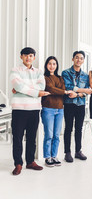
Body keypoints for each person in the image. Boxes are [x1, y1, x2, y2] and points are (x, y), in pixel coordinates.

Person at [10, 47, 49, 175]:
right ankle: (18, 164)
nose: (28, 57)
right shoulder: (15, 70)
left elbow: (41, 86)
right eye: (26, 55)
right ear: (21, 56)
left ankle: (30, 161)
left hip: (34, 110)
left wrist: (22, 89)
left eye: (31, 55)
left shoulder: (38, 72)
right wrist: (36, 93)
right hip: (19, 110)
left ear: (34, 58)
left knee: (32, 138)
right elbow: (17, 85)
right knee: (17, 138)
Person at [62, 51, 92, 162]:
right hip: (69, 104)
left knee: (79, 129)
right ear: (73, 59)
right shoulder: (66, 72)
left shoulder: (85, 75)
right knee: (68, 128)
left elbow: (87, 91)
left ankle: (78, 151)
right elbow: (68, 86)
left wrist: (79, 93)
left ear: (83, 60)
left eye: (81, 58)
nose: (79, 60)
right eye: (76, 58)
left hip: (80, 104)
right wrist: (83, 91)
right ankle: (67, 152)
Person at [41, 56, 73, 167]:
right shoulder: (44, 77)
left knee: (56, 135)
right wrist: (63, 91)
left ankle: (54, 156)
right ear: (46, 65)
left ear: (56, 66)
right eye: (49, 63)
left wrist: (60, 91)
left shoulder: (60, 78)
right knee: (48, 134)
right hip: (48, 109)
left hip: (60, 109)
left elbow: (57, 89)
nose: (52, 66)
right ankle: (47, 157)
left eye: (54, 64)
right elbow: (50, 89)